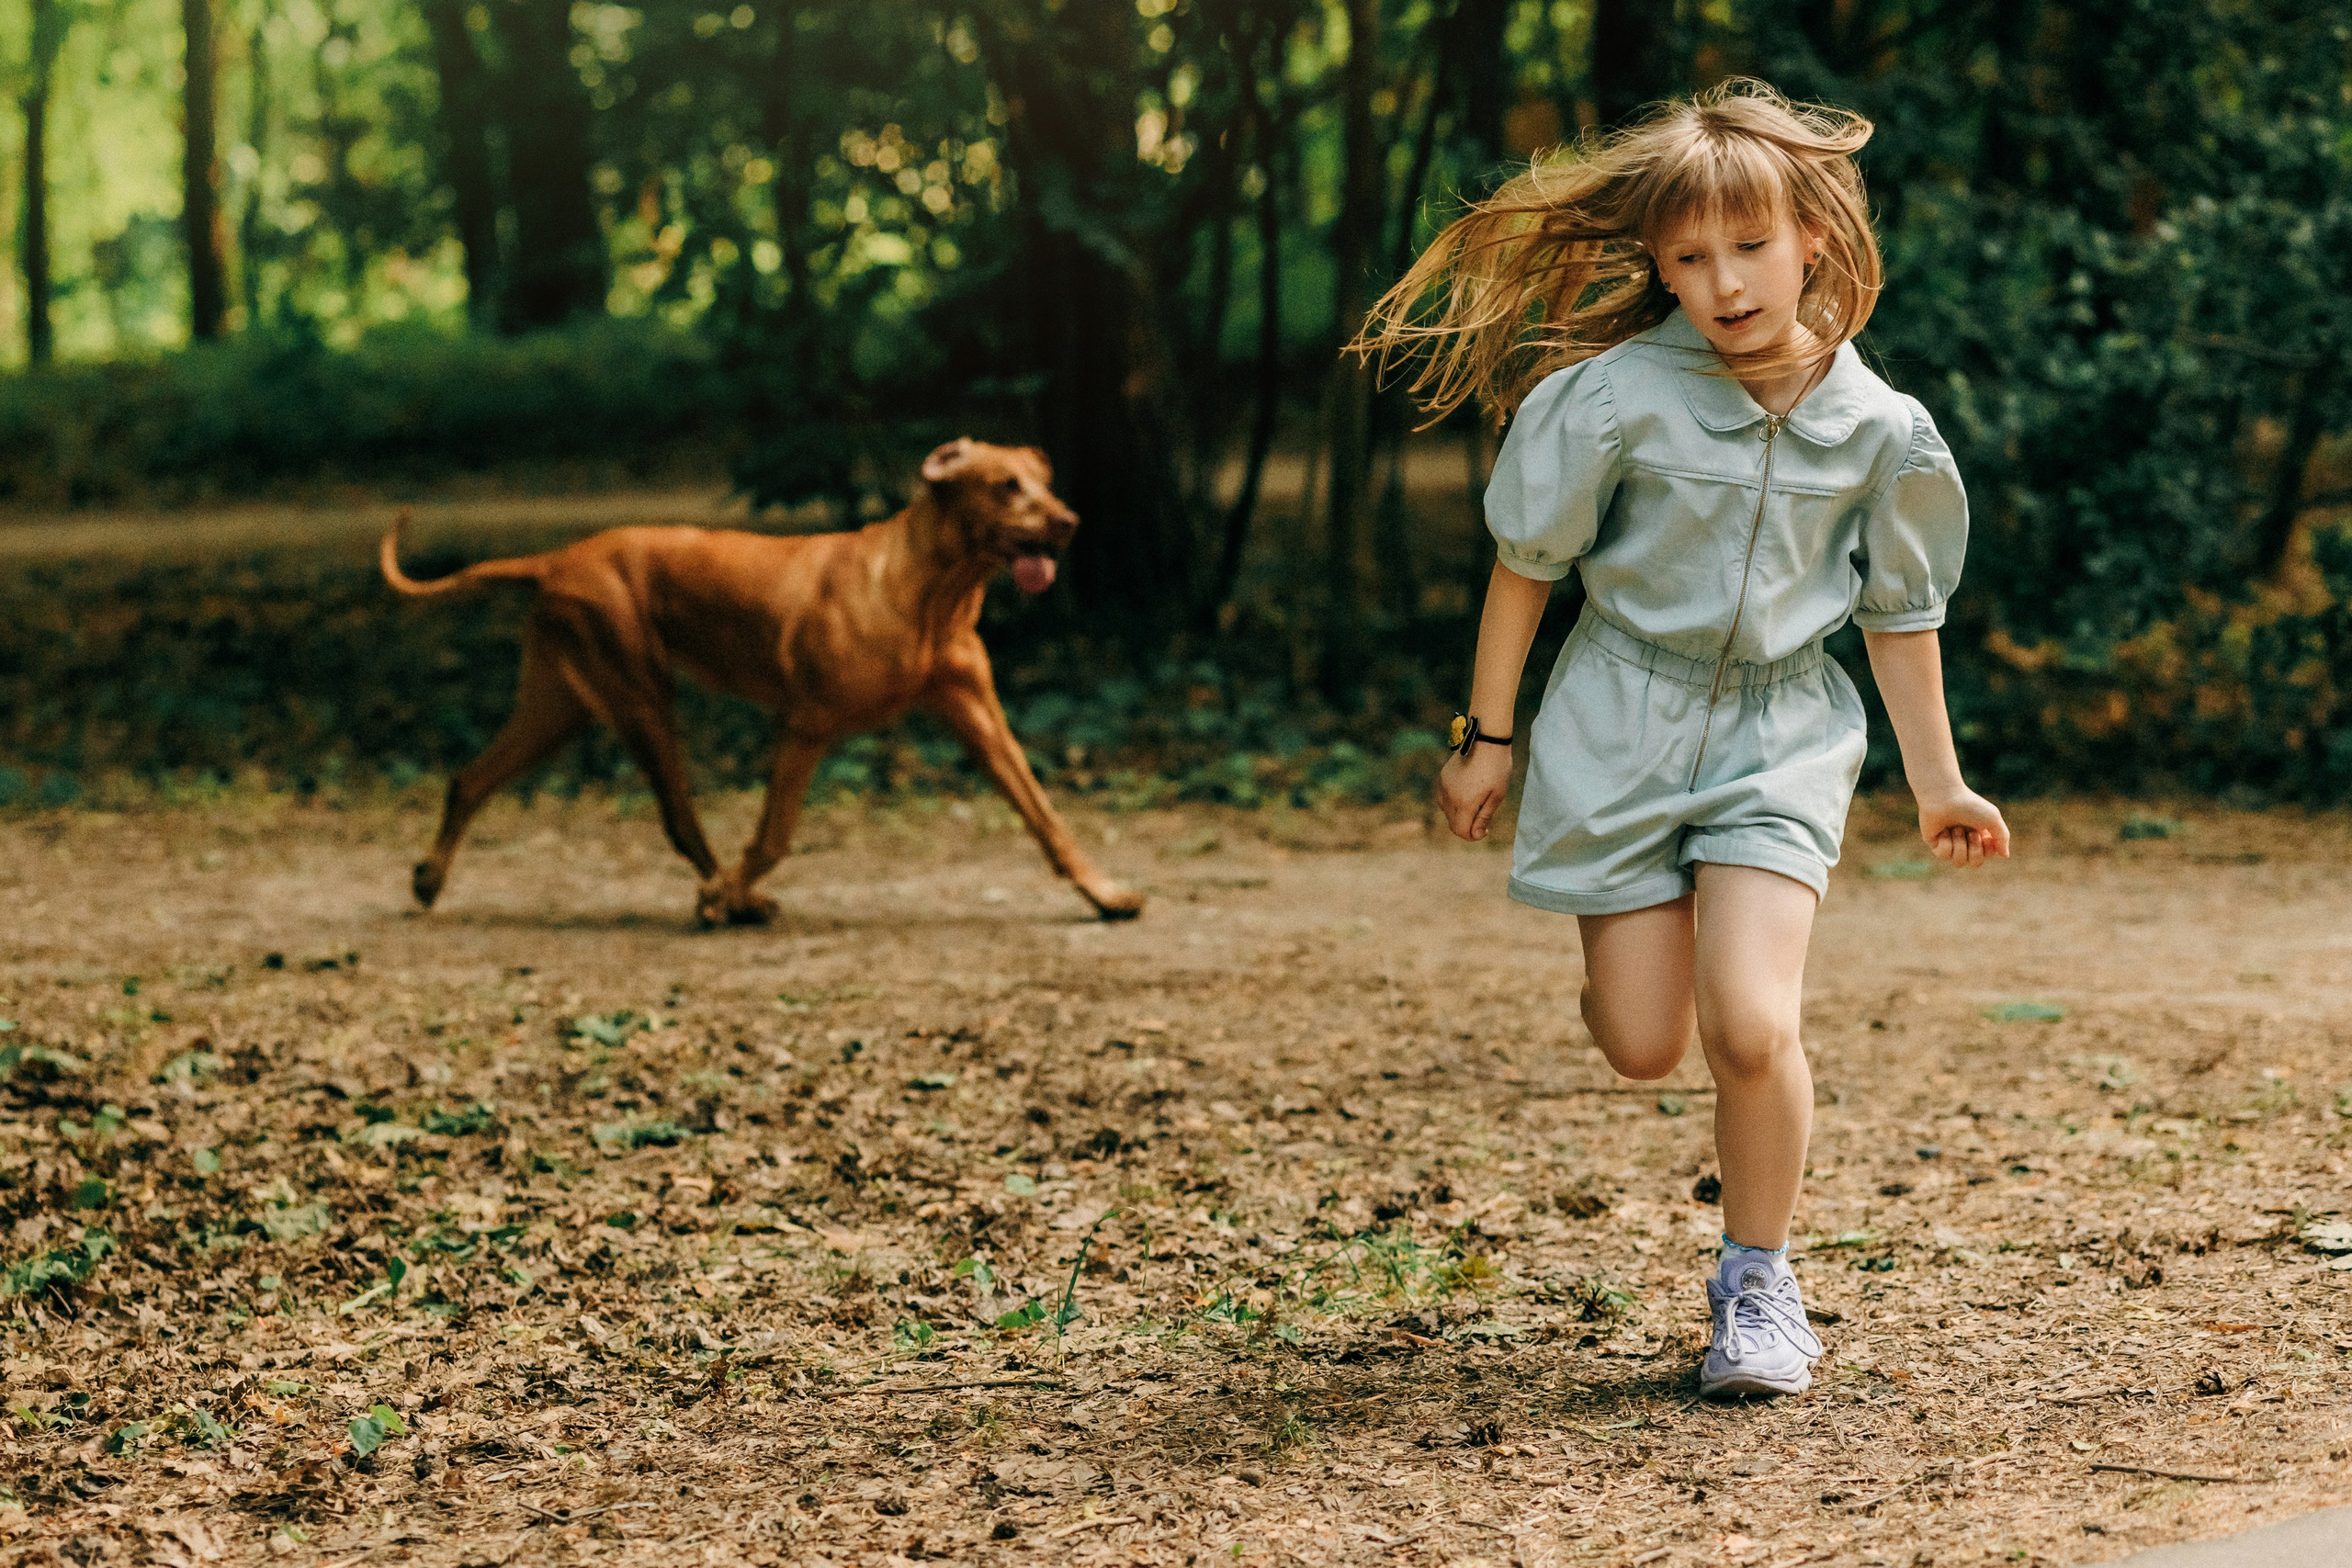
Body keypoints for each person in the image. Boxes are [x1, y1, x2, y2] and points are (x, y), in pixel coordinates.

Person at [1358, 79, 2010, 1397]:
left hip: (1780, 737)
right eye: (1690, 258)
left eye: (1750, 248)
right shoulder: (1612, 401)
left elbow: (1900, 612)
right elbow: (1524, 569)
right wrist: (1487, 738)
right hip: (1619, 721)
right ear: (1657, 262)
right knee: (1643, 1042)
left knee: (1751, 1024)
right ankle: (1626, 943)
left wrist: (1937, 780)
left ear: (1811, 236)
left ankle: (1758, 1290)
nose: (1724, 284)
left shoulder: (1880, 430)